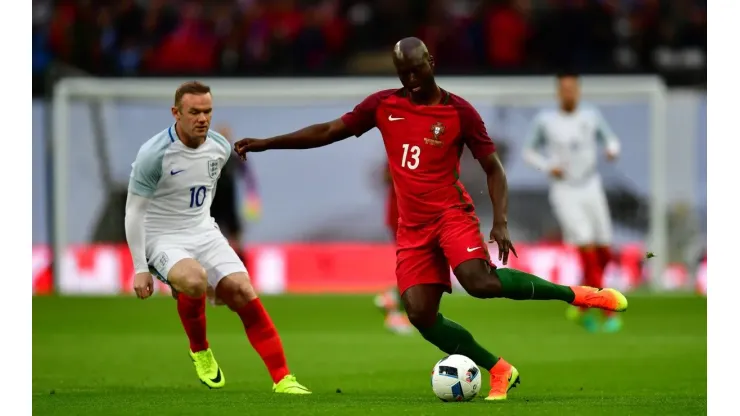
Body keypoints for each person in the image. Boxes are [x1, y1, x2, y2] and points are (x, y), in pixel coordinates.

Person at [233, 38, 628, 401]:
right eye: (403, 73)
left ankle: (579, 295)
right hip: (413, 228)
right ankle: (499, 369)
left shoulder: (459, 112)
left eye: (416, 70)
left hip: (450, 215)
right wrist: (269, 143)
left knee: (480, 282)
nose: (410, 79)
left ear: (431, 62)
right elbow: (329, 130)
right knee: (420, 315)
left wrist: (500, 221)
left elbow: (494, 169)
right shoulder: (384, 105)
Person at [124, 81, 310, 394]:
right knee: (194, 279)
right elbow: (134, 212)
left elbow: (212, 194)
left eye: (207, 111)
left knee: (240, 290)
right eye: (194, 112)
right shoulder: (153, 154)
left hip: (203, 230)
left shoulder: (220, 148)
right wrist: (140, 267)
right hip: (162, 235)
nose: (202, 118)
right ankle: (200, 350)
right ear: (176, 113)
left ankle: (283, 379)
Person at [522, 72, 622, 333]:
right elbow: (528, 151)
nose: (568, 93)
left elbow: (610, 139)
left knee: (604, 249)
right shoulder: (546, 121)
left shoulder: (591, 117)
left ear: (578, 91)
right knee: (586, 246)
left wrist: (612, 149)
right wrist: (547, 166)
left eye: (572, 89)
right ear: (558, 93)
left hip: (591, 184)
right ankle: (608, 310)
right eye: (564, 89)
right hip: (564, 189)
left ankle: (581, 307)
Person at [209, 124, 261, 270]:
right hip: (213, 205)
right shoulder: (209, 157)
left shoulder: (234, 158)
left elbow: (249, 177)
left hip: (229, 205)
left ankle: (244, 271)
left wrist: (252, 199)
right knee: (212, 240)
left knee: (236, 239)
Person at [374, 163, 413, 335]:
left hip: (414, 216)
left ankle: (393, 299)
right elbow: (385, 177)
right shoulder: (400, 151)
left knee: (414, 264)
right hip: (404, 217)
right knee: (412, 265)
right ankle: (396, 310)